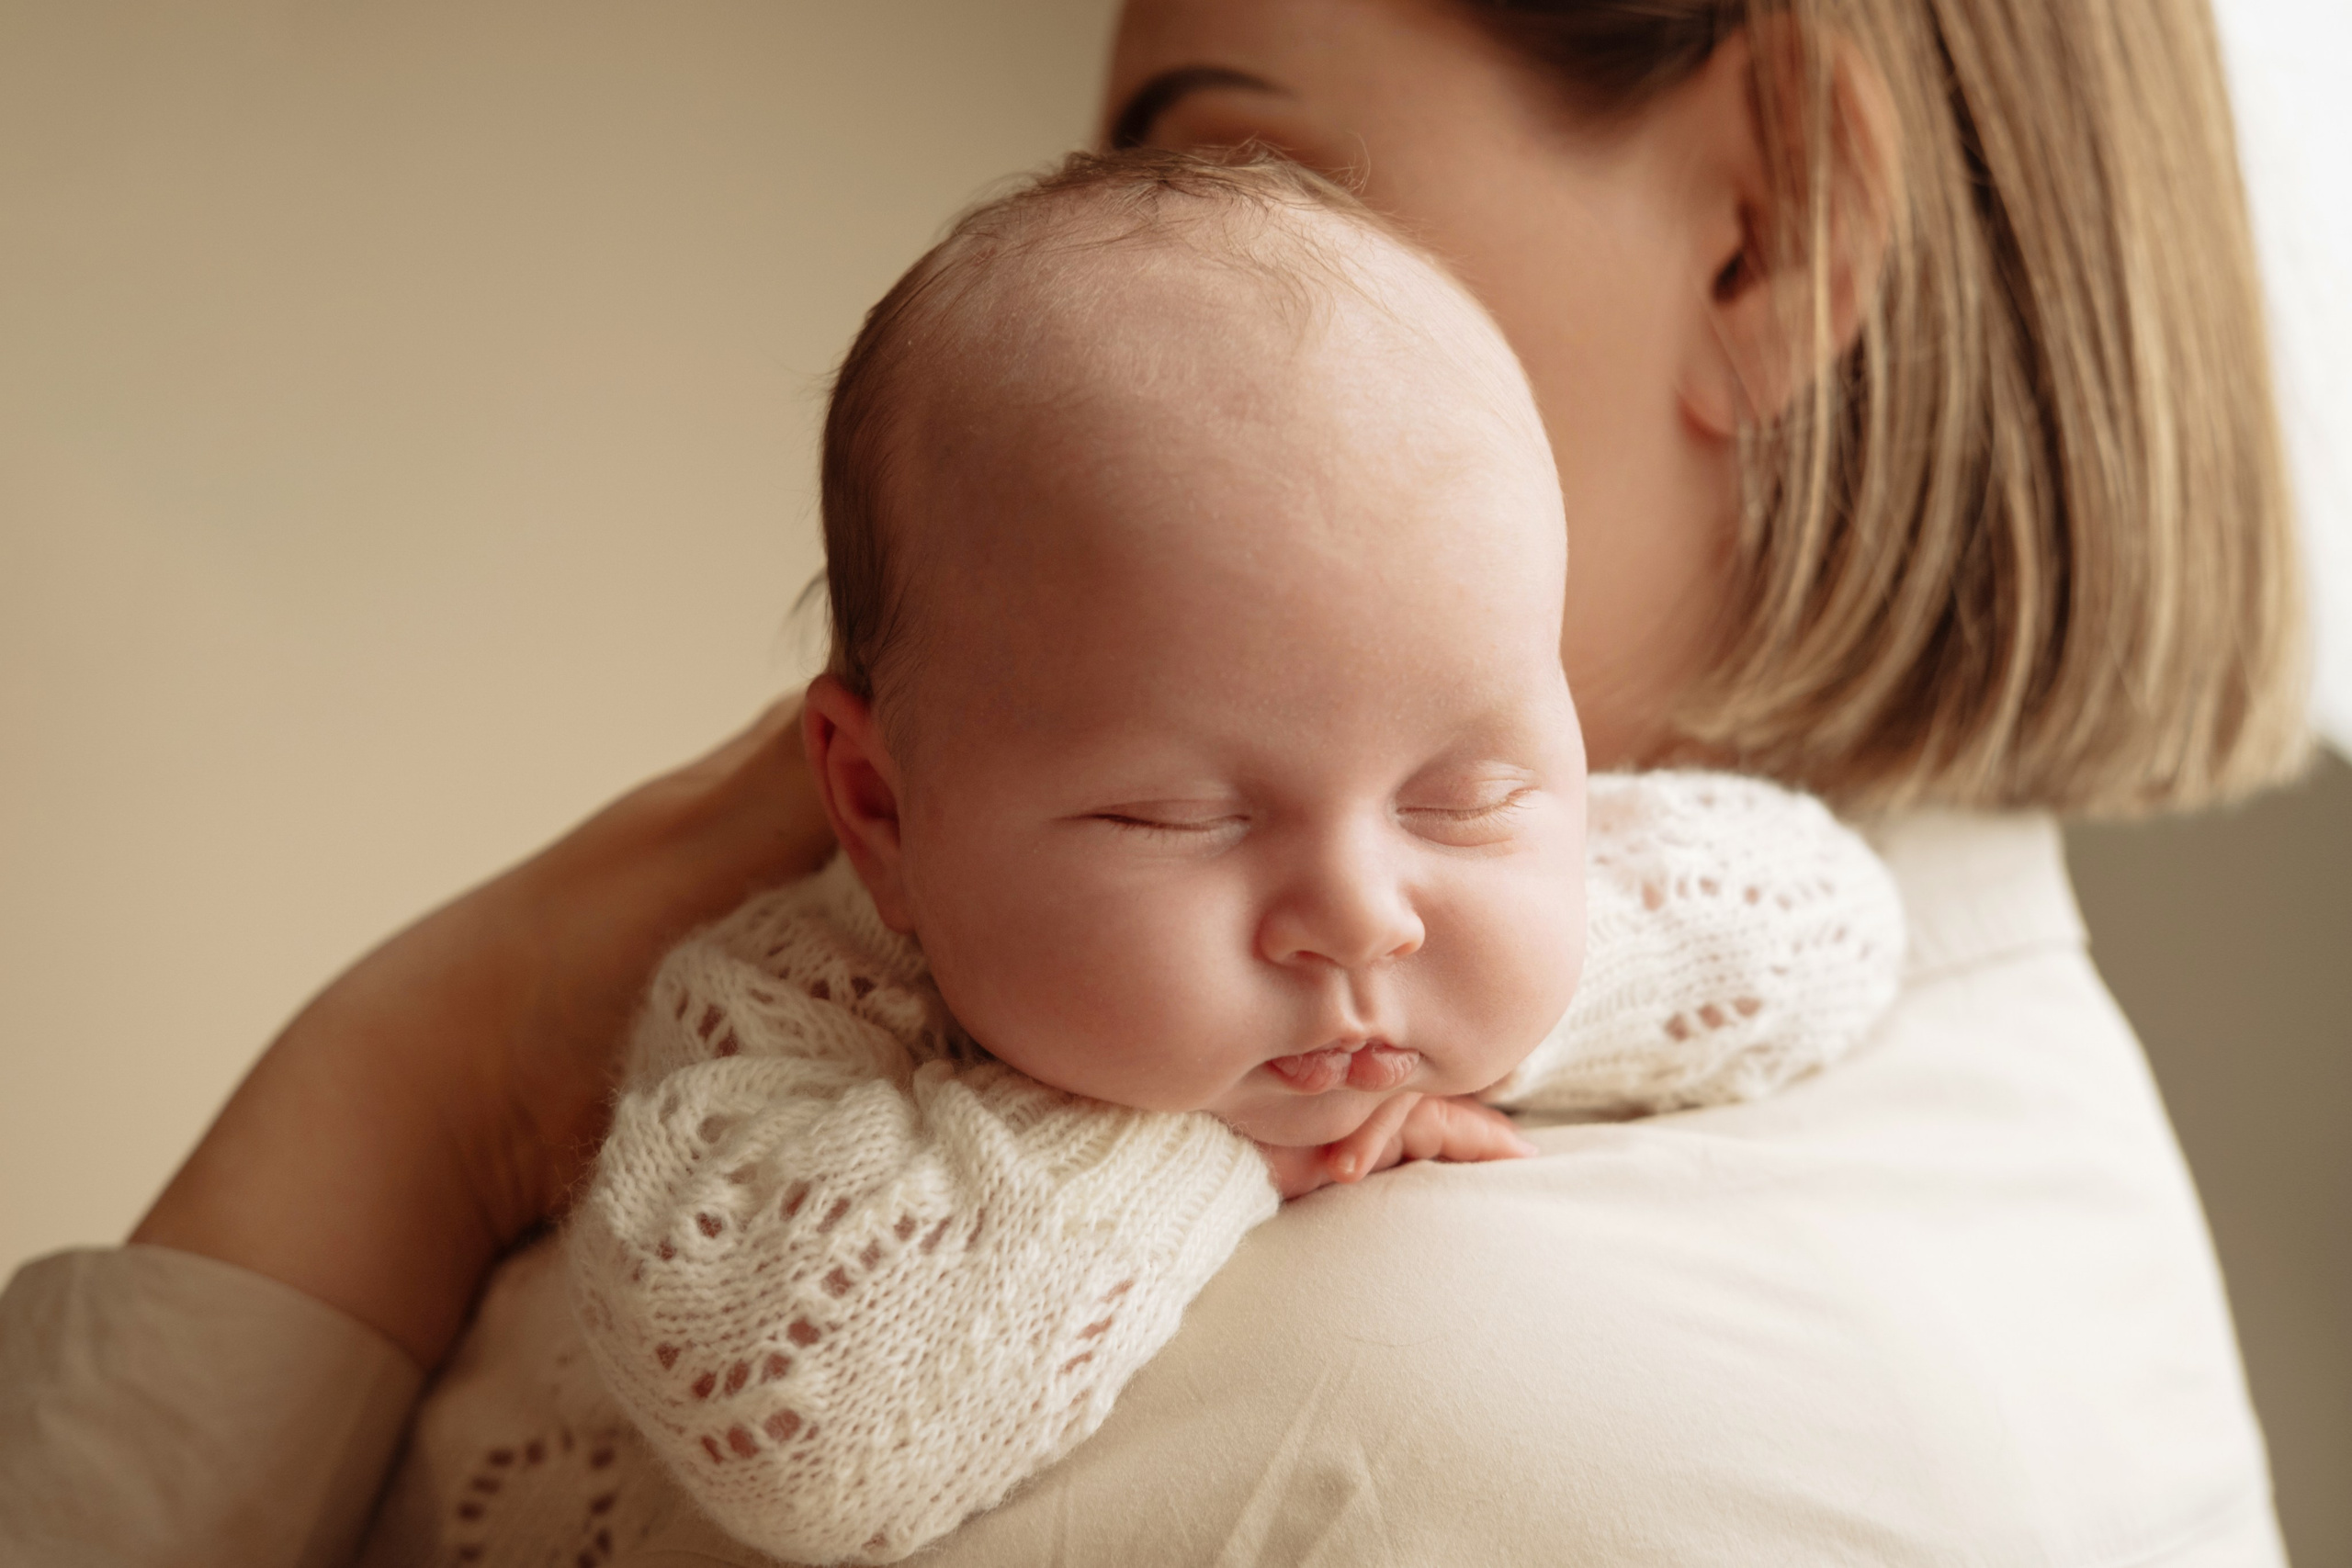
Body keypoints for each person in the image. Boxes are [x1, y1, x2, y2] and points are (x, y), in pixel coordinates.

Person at [0, 1, 2308, 1564]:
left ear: (1766, 217)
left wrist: (438, 1065)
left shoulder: (1394, 1398)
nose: (1155, 285)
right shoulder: (1992, 1162)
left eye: (1219, 159)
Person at [354, 150, 1902, 1568]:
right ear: (885, 814)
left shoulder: (1451, 914)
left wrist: (1511, 987)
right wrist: (1208, 1146)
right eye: (1185, 820)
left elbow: (1832, 923)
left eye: (1465, 793)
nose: (1361, 914)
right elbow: (804, 1423)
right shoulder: (787, 1010)